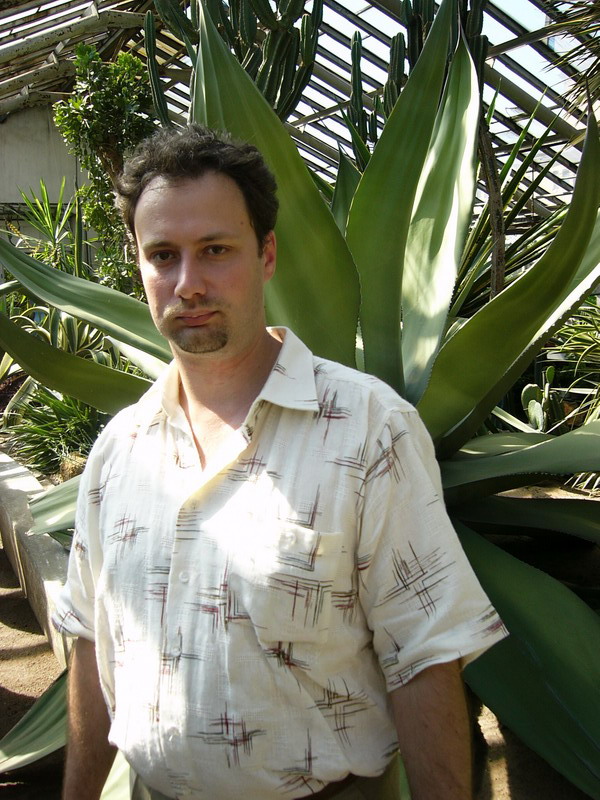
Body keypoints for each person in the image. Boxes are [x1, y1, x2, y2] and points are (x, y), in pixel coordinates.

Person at [53, 124, 507, 800]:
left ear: (266, 254)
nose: (188, 284)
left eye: (215, 250)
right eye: (163, 255)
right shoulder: (120, 449)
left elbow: (425, 656)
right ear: (139, 266)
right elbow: (90, 642)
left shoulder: (369, 430)